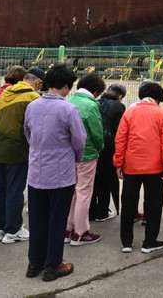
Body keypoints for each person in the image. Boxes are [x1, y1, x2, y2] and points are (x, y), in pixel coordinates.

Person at [23, 64, 85, 282]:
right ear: (66, 86)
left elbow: (28, 133)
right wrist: (75, 158)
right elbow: (79, 141)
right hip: (60, 174)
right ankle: (53, 265)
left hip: (36, 172)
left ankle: (34, 262)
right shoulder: (68, 109)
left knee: (37, 220)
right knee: (57, 220)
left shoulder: (32, 106)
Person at [114, 80, 163, 254]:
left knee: (128, 203)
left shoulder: (129, 112)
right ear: (158, 98)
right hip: (155, 167)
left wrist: (118, 163)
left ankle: (126, 242)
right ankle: (149, 242)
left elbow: (120, 140)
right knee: (154, 205)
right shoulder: (162, 114)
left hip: (131, 166)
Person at [0, 67, 45, 244]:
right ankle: (13, 230)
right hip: (17, 150)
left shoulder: (5, 93)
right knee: (15, 190)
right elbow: (35, 128)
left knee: (0, 189)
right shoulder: (33, 98)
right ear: (38, 83)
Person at [65, 73, 105, 246]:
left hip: (68, 154)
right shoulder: (91, 105)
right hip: (87, 154)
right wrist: (100, 148)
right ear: (96, 91)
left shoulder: (68, 102)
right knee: (84, 193)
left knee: (71, 192)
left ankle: (66, 229)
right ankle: (81, 232)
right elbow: (97, 133)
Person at [90, 84, 126, 222]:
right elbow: (119, 131)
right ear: (120, 96)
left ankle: (91, 211)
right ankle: (102, 211)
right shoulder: (119, 107)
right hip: (109, 147)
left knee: (94, 180)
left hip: (95, 146)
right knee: (106, 180)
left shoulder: (96, 103)